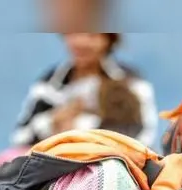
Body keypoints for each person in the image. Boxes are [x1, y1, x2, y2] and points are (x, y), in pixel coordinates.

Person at [12, 33, 157, 148]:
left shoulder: (128, 83)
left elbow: (143, 136)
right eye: (74, 33)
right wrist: (54, 121)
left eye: (91, 35)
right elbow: (21, 136)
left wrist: (80, 128)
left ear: (108, 39)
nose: (81, 42)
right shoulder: (49, 84)